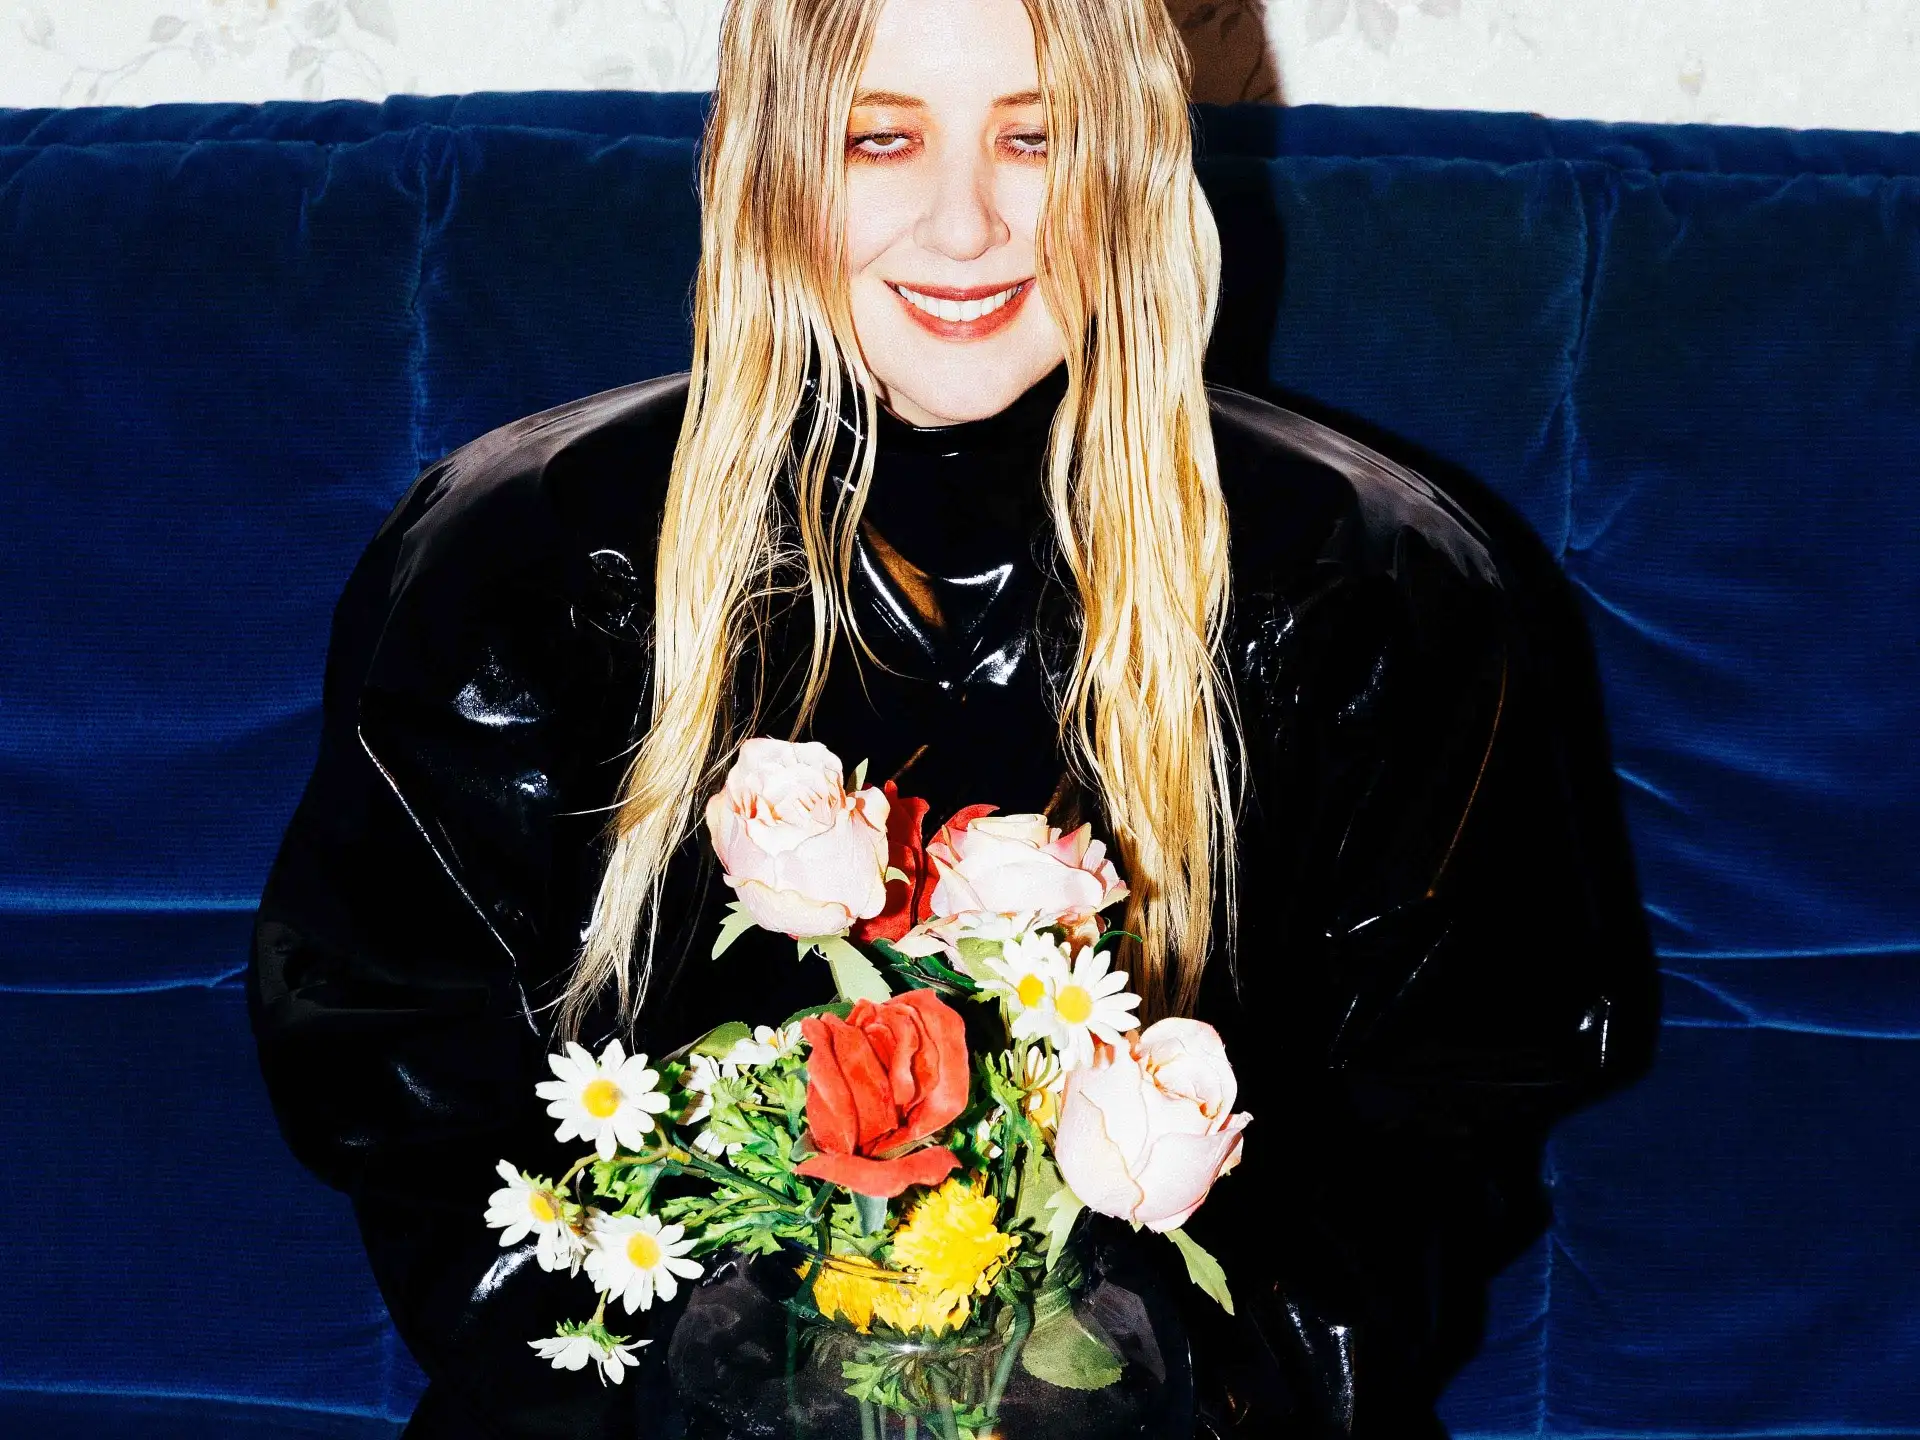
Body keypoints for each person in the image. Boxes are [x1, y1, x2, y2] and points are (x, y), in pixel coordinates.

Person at [247, 0, 1654, 1434]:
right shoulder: (531, 564)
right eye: (881, 139)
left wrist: (1127, 1390)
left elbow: (1435, 1125)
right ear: (763, 162)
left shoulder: (1369, 587)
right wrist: (730, 1390)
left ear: (1132, 160)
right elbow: (411, 1088)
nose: (968, 225)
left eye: (1036, 139)